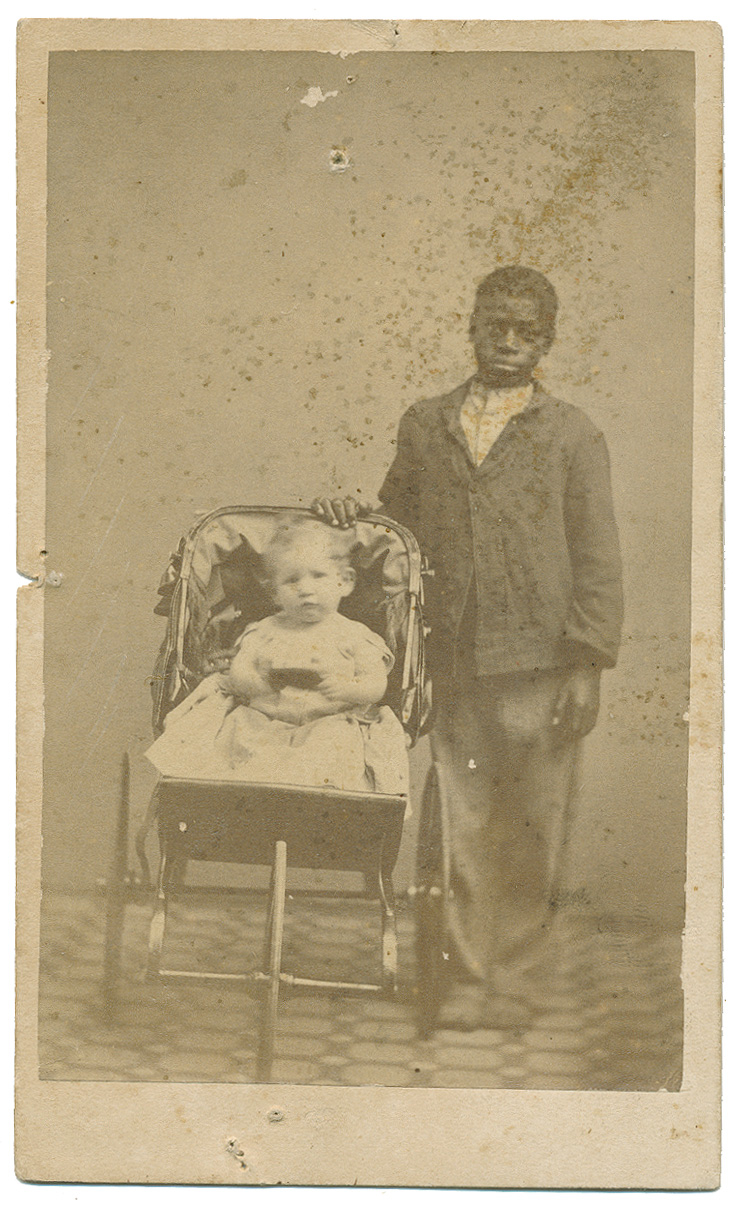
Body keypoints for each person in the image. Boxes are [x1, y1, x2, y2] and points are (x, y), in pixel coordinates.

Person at [313, 265, 623, 1029]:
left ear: (546, 340)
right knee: (462, 820)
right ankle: (458, 971)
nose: (510, 343)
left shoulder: (572, 433)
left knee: (534, 826)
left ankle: (510, 982)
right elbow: (395, 526)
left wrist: (586, 666)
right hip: (454, 657)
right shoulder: (426, 422)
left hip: (544, 662)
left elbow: (597, 555)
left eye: (527, 332)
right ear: (475, 327)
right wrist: (351, 517)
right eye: (497, 327)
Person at [146, 518, 409, 796]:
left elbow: (376, 684)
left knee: (335, 748)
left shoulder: (356, 636)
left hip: (328, 722)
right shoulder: (263, 632)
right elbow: (240, 672)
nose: (306, 589)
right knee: (241, 740)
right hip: (265, 722)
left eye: (318, 576)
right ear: (275, 594)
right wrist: (258, 682)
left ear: (344, 581)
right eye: (291, 580)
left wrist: (348, 688)